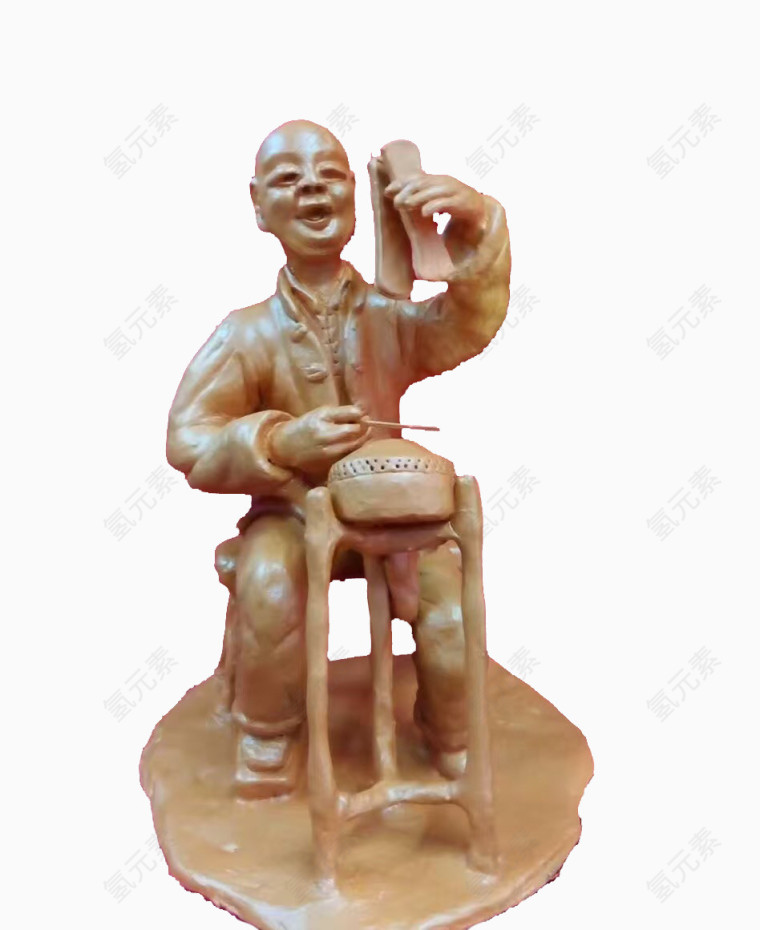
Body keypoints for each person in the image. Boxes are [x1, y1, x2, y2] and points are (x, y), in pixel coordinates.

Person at [166, 119, 511, 797]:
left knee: (449, 610)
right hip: (292, 512)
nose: (312, 190)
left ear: (357, 196)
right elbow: (189, 437)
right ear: (259, 206)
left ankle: (452, 734)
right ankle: (269, 735)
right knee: (271, 586)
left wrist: (477, 223)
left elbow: (467, 322)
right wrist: (277, 443)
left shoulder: (389, 315)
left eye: (329, 176)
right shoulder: (245, 334)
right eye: (288, 180)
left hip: (393, 511)